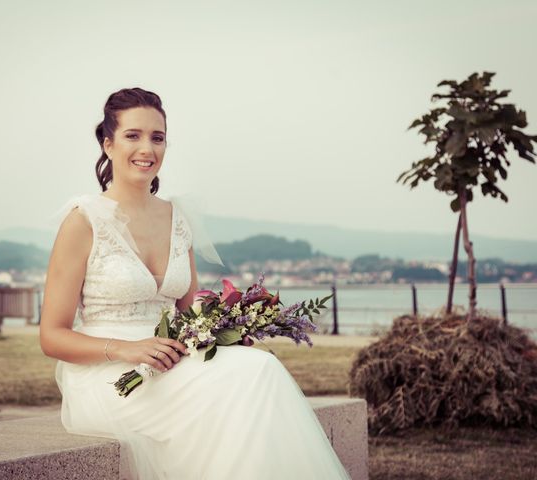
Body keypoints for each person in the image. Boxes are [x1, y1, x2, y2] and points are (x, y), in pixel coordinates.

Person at [39, 87, 351, 479]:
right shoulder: (84, 220)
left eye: (157, 137)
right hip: (110, 376)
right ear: (108, 144)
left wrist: (230, 333)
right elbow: (51, 336)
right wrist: (128, 349)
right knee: (252, 379)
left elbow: (188, 316)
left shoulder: (177, 218)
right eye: (132, 136)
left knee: (258, 369)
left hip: (173, 361)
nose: (147, 148)